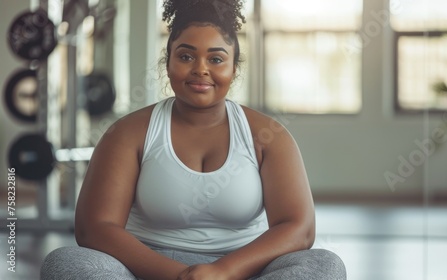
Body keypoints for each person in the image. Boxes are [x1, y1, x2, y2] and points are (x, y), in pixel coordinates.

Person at [40, 0, 346, 279]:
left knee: (325, 265)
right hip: (146, 268)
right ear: (168, 63)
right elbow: (94, 228)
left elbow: (299, 229)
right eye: (186, 56)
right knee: (66, 262)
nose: (201, 69)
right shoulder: (128, 133)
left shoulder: (269, 137)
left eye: (216, 59)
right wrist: (182, 275)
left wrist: (223, 271)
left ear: (233, 68)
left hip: (242, 269)